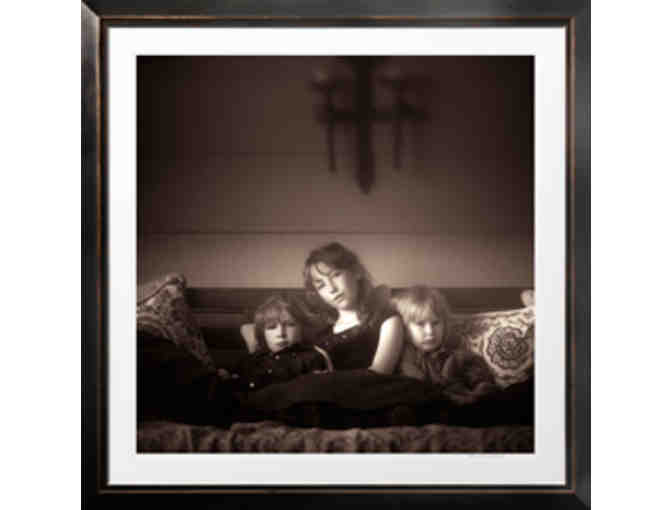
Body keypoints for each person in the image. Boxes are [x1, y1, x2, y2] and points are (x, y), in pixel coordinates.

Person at [241, 243, 444, 428]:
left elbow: (380, 371)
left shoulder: (386, 319)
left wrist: (324, 380)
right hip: (325, 396)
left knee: (309, 386)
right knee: (296, 388)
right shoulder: (322, 332)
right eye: (321, 285)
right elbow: (256, 329)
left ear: (356, 272)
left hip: (369, 391)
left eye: (336, 275)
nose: (331, 288)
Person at [393, 285, 498, 405]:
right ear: (405, 329)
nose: (430, 331)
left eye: (435, 323)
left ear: (445, 325)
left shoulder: (458, 357)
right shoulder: (400, 359)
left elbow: (484, 384)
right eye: (420, 324)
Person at [217, 294, 332, 391]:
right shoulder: (253, 359)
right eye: (271, 327)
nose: (280, 333)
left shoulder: (311, 357)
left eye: (290, 325)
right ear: (262, 333)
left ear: (302, 328)